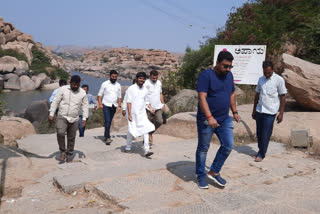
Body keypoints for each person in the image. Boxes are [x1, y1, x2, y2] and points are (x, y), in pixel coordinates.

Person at [196, 50, 241, 189]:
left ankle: (214, 171)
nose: (227, 69)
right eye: (225, 66)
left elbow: (232, 93)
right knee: (203, 148)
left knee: (228, 145)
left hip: (224, 118)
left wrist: (234, 111)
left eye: (230, 66)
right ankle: (200, 175)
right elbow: (202, 97)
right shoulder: (205, 75)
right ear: (217, 63)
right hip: (206, 119)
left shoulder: (229, 75)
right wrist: (209, 117)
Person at [252, 61, 287, 162]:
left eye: (269, 72)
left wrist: (281, 113)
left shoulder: (279, 80)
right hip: (260, 110)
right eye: (265, 72)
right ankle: (261, 149)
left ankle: (261, 154)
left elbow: (283, 97)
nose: (267, 74)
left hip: (270, 112)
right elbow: (257, 95)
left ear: (272, 70)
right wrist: (254, 110)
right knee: (259, 133)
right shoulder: (260, 80)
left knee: (266, 134)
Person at [48, 75, 88, 163]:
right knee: (60, 132)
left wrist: (84, 118)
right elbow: (55, 101)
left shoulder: (82, 93)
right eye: (74, 84)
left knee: (71, 137)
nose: (75, 86)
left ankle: (69, 154)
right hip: (62, 116)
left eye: (77, 85)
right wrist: (51, 114)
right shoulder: (63, 89)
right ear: (70, 83)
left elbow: (85, 106)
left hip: (74, 118)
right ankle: (62, 151)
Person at [126, 72, 155, 158]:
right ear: (137, 79)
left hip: (142, 113)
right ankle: (128, 146)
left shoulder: (145, 90)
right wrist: (130, 114)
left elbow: (146, 101)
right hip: (132, 113)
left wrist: (150, 107)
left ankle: (146, 150)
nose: (142, 80)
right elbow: (128, 102)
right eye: (140, 78)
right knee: (131, 130)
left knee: (146, 129)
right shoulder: (131, 88)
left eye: (143, 79)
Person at [97, 70, 122, 145]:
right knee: (108, 121)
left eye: (115, 77)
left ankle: (105, 134)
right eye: (113, 76)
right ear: (109, 76)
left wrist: (119, 105)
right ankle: (107, 137)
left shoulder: (118, 85)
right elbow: (99, 95)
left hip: (114, 105)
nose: (114, 78)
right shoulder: (104, 84)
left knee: (109, 121)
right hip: (106, 105)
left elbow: (119, 96)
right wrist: (100, 103)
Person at [144, 69, 165, 144]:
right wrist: (149, 106)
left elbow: (160, 94)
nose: (155, 79)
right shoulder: (146, 83)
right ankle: (146, 140)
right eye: (153, 78)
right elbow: (144, 96)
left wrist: (163, 104)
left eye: (156, 78)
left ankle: (150, 133)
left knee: (160, 121)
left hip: (158, 106)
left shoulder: (159, 83)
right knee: (148, 123)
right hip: (148, 107)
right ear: (150, 76)